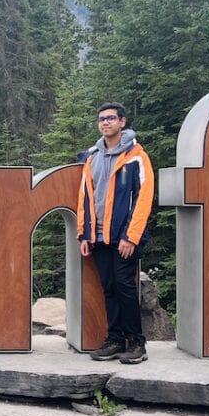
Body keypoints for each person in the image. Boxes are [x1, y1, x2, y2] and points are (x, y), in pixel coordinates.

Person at [77, 102, 155, 363]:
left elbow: (144, 198)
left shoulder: (136, 157)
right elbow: (85, 197)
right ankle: (115, 339)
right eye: (101, 119)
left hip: (124, 237)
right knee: (109, 287)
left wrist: (131, 237)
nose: (105, 123)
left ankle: (136, 343)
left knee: (125, 287)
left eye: (111, 118)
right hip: (98, 236)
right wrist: (84, 234)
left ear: (122, 122)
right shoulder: (92, 157)